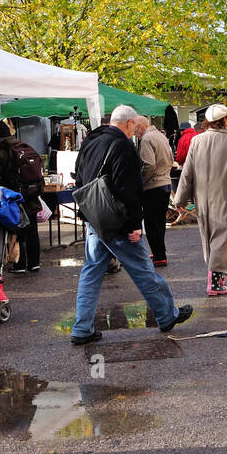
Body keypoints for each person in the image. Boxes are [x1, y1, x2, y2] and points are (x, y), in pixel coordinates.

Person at [70, 105, 192, 345]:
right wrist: (135, 224)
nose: (135, 131)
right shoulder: (123, 146)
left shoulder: (91, 140)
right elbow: (129, 189)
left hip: (95, 217)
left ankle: (82, 328)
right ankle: (167, 315)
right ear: (127, 123)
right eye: (134, 127)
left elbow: (79, 176)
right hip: (118, 220)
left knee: (92, 271)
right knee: (143, 269)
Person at [174, 104, 227, 297]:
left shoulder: (197, 140)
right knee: (225, 236)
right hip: (226, 195)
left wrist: (180, 199)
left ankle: (217, 276)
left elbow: (187, 173)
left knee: (210, 237)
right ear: (224, 120)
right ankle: (215, 282)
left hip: (202, 197)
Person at [0, 121, 41, 274]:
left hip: (13, 197)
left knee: (17, 230)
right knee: (33, 229)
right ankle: (34, 263)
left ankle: (19, 264)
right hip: (31, 194)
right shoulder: (23, 145)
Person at [133, 115, 173, 268]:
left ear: (140, 126)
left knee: (151, 223)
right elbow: (170, 158)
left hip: (153, 186)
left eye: (135, 129)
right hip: (165, 183)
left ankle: (159, 256)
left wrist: (140, 182)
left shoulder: (147, 139)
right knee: (160, 222)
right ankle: (159, 252)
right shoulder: (160, 136)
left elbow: (149, 164)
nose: (135, 133)